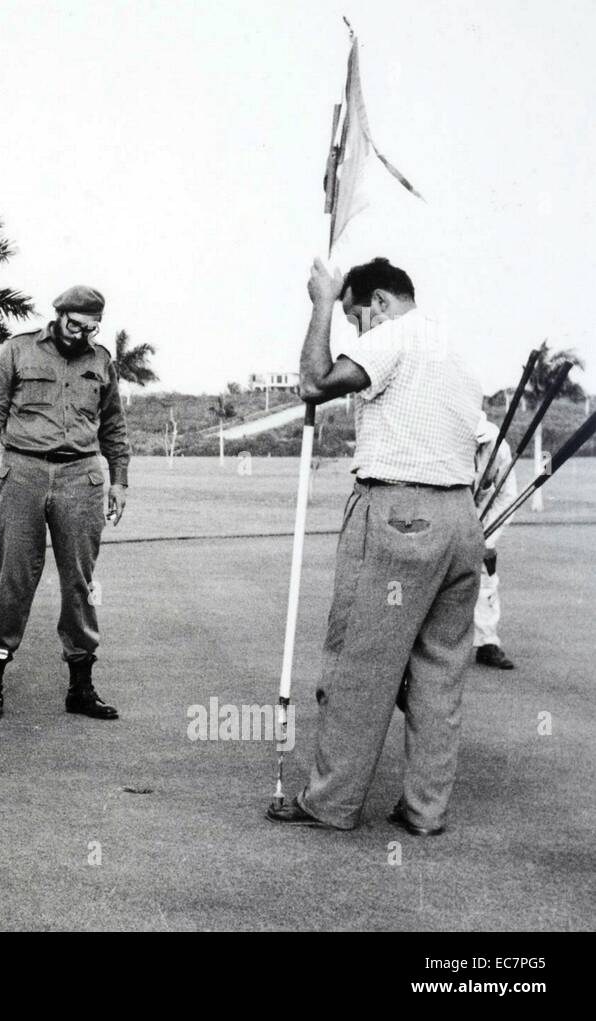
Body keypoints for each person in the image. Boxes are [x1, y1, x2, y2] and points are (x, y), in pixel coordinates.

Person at [267, 257, 483, 837]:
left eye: (356, 318)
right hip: (460, 519)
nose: (358, 333)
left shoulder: (391, 337)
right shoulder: (452, 350)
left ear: (380, 303)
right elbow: (481, 444)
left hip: (398, 515)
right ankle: (424, 811)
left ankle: (331, 803)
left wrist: (321, 301)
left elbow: (313, 384)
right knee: (438, 676)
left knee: (360, 666)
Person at [0, 285, 130, 721]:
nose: (81, 335)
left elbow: (113, 426)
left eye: (91, 328)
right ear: (57, 316)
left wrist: (120, 482)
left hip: (82, 476)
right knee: (14, 580)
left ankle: (81, 688)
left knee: (81, 583)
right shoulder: (17, 351)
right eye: (75, 325)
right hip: (23, 473)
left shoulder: (102, 361)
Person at [473, 414, 518, 670]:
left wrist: (487, 539)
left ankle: (487, 642)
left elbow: (506, 497)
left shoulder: (499, 447)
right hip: (446, 510)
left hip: (482, 516)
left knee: (486, 578)